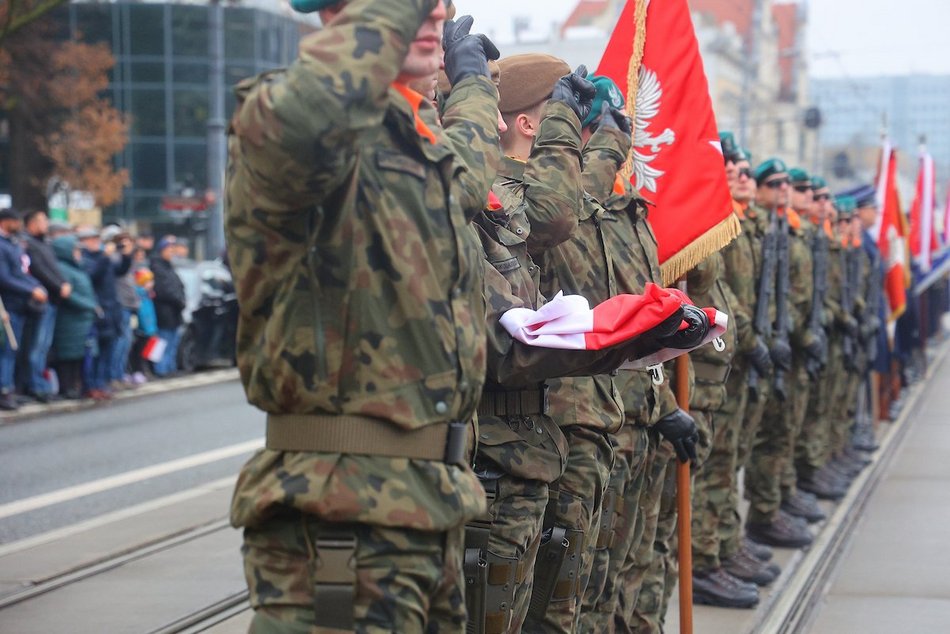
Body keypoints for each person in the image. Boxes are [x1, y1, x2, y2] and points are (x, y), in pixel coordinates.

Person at [225, 1, 503, 630]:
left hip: (429, 510)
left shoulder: (412, 142)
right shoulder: (288, 122)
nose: (435, 10)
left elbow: (468, 170)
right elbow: (315, 111)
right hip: (341, 523)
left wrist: (476, 86)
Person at [743, 159, 814, 549]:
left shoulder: (776, 232)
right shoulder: (744, 231)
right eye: (776, 183)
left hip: (779, 346)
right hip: (749, 354)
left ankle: (772, 505)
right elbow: (741, 299)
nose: (786, 190)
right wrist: (761, 342)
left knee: (782, 430)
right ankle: (721, 543)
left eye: (792, 184)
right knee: (738, 450)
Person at [0, 208, 48, 410]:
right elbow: (5, 278)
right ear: (5, 221)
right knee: (7, 349)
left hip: (19, 304)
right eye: (15, 221)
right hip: (8, 304)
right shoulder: (2, 246)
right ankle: (4, 391)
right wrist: (31, 290)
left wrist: (36, 286)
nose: (19, 224)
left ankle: (11, 387)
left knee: (14, 349)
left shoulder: (12, 244)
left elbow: (21, 272)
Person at [78, 225, 133, 399]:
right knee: (95, 352)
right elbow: (92, 276)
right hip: (98, 311)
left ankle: (102, 383)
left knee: (107, 350)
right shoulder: (85, 260)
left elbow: (120, 271)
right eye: (92, 240)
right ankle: (92, 384)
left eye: (97, 239)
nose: (96, 243)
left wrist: (126, 256)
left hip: (111, 309)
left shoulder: (104, 259)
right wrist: (105, 256)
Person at [22, 209, 71, 401]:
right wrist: (59, 286)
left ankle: (42, 384)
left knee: (44, 346)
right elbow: (40, 270)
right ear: (32, 223)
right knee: (37, 345)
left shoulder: (45, 244)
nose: (46, 224)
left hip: (52, 300)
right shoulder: (30, 245)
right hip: (40, 301)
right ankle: (36, 386)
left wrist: (64, 283)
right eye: (42, 220)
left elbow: (55, 269)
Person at [50, 235, 99, 400]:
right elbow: (68, 295)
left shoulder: (78, 268)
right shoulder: (62, 268)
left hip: (82, 320)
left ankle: (76, 386)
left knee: (79, 354)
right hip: (69, 319)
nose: (79, 253)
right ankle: (67, 387)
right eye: (76, 250)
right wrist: (89, 305)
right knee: (67, 355)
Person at [150, 236, 186, 377]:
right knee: (162, 342)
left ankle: (170, 367)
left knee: (172, 342)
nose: (171, 251)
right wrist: (179, 300)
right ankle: (160, 369)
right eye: (168, 249)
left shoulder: (169, 267)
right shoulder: (157, 267)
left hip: (174, 312)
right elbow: (165, 290)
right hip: (163, 312)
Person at [130, 268, 157, 384]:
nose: (151, 284)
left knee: (148, 353)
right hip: (142, 330)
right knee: (138, 353)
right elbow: (140, 313)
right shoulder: (138, 295)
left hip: (150, 328)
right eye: (147, 282)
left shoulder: (148, 295)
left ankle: (147, 371)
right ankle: (138, 372)